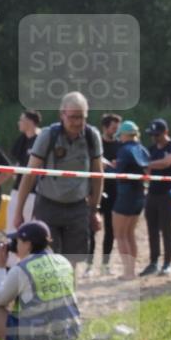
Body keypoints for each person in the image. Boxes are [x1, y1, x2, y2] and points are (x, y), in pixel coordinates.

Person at [14, 91, 103, 259]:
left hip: (78, 208)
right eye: (73, 117)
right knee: (47, 259)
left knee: (72, 262)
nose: (77, 122)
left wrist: (95, 210)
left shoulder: (92, 137)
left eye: (81, 117)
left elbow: (98, 175)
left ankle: (70, 286)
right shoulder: (48, 135)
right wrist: (19, 211)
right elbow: (29, 175)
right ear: (62, 114)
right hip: (47, 206)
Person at [0, 220, 81, 340]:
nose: (14, 245)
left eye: (17, 241)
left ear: (27, 244)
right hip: (70, 334)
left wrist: (0, 267)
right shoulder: (63, 261)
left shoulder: (21, 269)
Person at [139, 119, 171, 277]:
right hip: (152, 194)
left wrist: (148, 164)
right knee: (152, 230)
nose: (154, 138)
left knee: (167, 230)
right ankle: (153, 262)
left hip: (167, 194)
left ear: (166, 132)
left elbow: (167, 162)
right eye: (152, 135)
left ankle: (168, 262)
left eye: (157, 135)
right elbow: (147, 172)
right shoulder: (151, 149)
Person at [84, 113, 121, 277]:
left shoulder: (121, 145)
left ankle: (105, 264)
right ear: (105, 128)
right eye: (113, 128)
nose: (115, 131)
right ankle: (89, 265)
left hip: (114, 192)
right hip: (95, 191)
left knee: (110, 230)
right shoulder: (95, 145)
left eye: (117, 129)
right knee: (91, 230)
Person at [111, 121, 149, 280]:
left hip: (125, 195)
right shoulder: (142, 149)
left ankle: (128, 272)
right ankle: (131, 270)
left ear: (124, 134)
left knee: (120, 235)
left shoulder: (124, 150)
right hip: (139, 195)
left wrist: (111, 166)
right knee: (130, 234)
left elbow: (119, 172)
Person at [6, 110, 42, 231]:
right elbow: (17, 163)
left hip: (33, 193)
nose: (19, 122)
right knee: (10, 227)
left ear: (30, 122)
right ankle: (10, 250)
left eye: (21, 120)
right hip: (17, 190)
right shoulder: (22, 139)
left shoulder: (41, 139)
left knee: (28, 229)